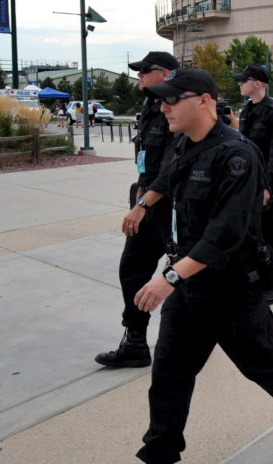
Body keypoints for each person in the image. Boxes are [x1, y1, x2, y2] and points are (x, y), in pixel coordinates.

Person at [100, 68, 273, 464]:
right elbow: (166, 176)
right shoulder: (185, 141)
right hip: (189, 288)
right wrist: (142, 206)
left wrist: (167, 278)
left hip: (232, 290)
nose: (162, 107)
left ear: (203, 101)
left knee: (262, 365)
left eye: (171, 100)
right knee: (168, 377)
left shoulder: (237, 156)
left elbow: (225, 234)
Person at [94, 51, 179, 369]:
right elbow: (148, 160)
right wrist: (140, 197)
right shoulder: (149, 107)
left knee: (189, 275)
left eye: (147, 70)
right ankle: (135, 342)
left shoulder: (178, 107)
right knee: (132, 269)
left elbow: (173, 167)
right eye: (139, 71)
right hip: (147, 199)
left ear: (167, 74)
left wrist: (143, 203)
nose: (140, 75)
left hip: (173, 205)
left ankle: (197, 339)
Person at [234, 63, 273, 304]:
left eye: (243, 80)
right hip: (252, 181)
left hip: (270, 184)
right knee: (256, 234)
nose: (239, 83)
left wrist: (267, 188)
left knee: (272, 232)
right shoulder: (247, 111)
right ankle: (266, 279)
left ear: (257, 83)